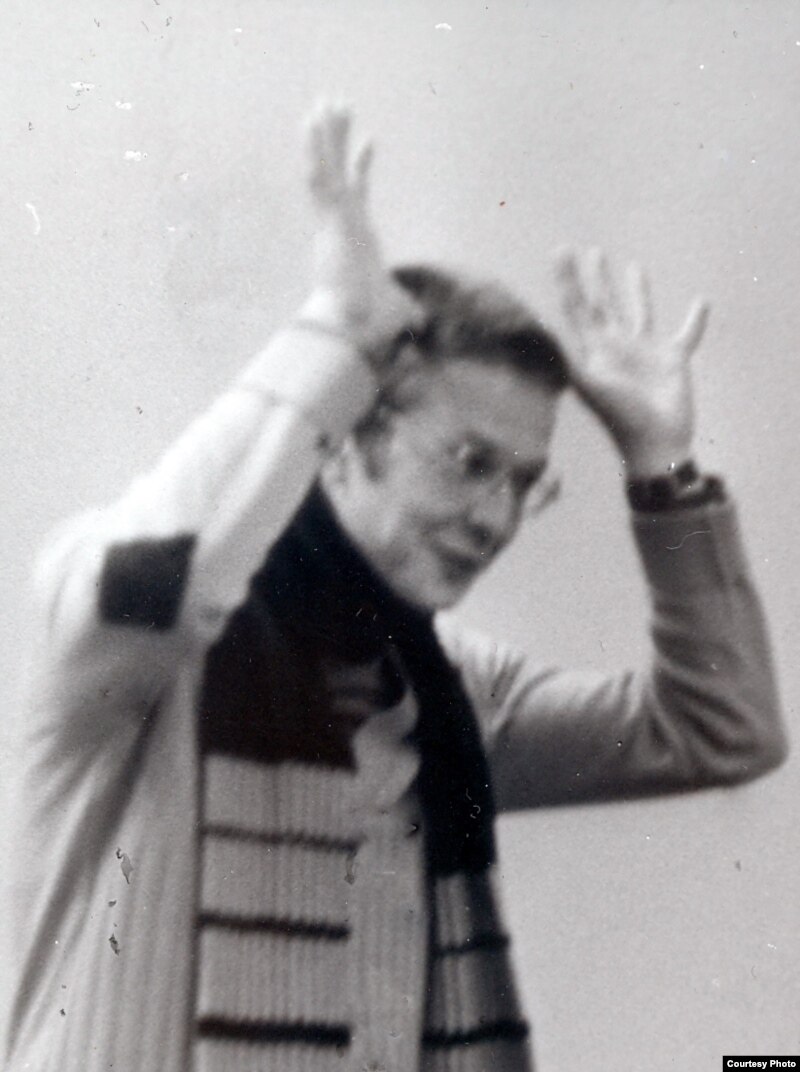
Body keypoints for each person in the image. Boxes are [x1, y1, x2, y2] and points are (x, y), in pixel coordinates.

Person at [3, 105, 786, 1072]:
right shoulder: (131, 654)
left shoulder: (450, 690)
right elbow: (178, 578)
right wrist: (333, 340)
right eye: (469, 463)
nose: (497, 519)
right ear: (341, 446)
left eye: (524, 484)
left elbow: (722, 730)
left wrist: (660, 466)